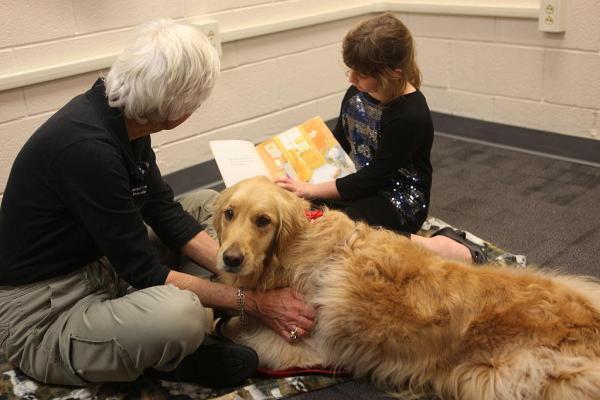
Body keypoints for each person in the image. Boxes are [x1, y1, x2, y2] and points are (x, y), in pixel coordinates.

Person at [0, 19, 314, 388]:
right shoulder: (87, 149)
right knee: (182, 316)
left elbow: (163, 210)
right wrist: (254, 301)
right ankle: (173, 353)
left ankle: (172, 340)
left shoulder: (123, 114)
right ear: (177, 108)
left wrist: (239, 274)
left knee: (204, 204)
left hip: (103, 268)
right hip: (46, 311)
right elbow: (144, 271)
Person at [276, 13, 485, 264]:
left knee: (342, 230)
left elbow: (371, 178)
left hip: (399, 199)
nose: (351, 79)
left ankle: (437, 246)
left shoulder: (410, 115)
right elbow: (338, 144)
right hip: (364, 184)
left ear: (393, 74)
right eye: (351, 70)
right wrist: (302, 175)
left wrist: (310, 188)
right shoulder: (356, 93)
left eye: (361, 74)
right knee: (304, 210)